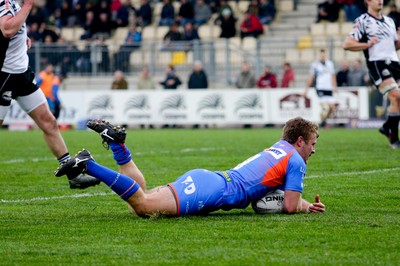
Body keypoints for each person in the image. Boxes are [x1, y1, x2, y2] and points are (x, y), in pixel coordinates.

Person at [55, 117, 326, 217]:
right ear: (300, 141)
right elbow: (289, 205)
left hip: (212, 181)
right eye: (313, 143)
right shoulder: (296, 161)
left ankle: (117, 146)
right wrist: (300, 207)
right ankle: (88, 164)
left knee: (140, 198)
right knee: (144, 205)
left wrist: (306, 205)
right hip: (213, 190)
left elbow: (282, 196)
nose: (313, 149)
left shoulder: (281, 148)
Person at [0, 0, 99, 189]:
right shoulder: (6, 2)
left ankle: (72, 174)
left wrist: (23, 38)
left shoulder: (13, 4)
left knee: (49, 122)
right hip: (5, 77)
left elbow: (11, 31)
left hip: (22, 75)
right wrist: (28, 6)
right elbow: (6, 29)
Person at [343, 0, 400, 148]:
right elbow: (347, 44)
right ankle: (390, 130)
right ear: (367, 1)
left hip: (394, 62)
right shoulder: (362, 21)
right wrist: (366, 44)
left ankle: (391, 133)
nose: (380, 0)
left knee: (397, 100)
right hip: (377, 63)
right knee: (396, 95)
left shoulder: (390, 21)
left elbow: (393, 46)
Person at [303, 49, 338, 128]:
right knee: (324, 107)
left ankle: (323, 121)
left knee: (332, 107)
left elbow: (333, 76)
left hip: (329, 88)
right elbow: (311, 77)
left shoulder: (330, 64)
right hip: (320, 88)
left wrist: (334, 86)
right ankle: (324, 125)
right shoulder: (315, 65)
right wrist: (306, 90)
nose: (323, 56)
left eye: (324, 55)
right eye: (321, 55)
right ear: (319, 55)